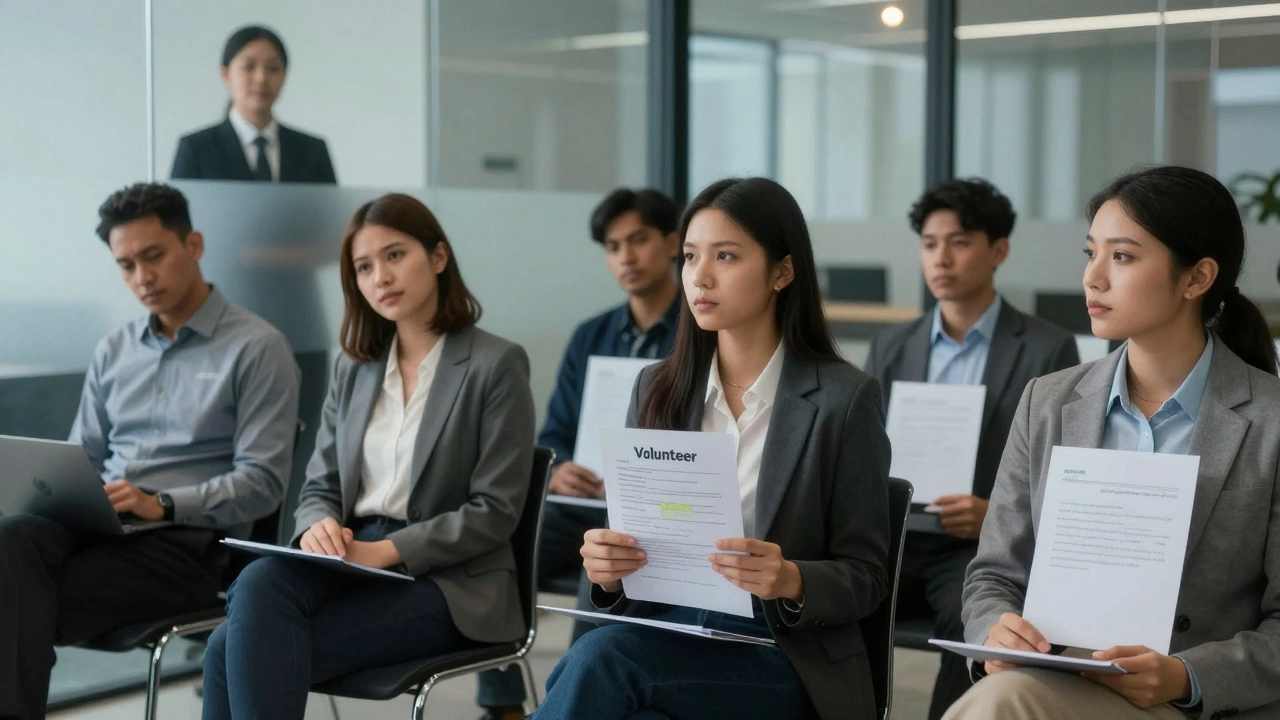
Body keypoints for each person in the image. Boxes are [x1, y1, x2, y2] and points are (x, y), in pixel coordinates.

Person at [532, 177, 892, 720]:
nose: (699, 276)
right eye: (690, 256)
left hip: (778, 653)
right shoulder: (656, 387)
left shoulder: (844, 399)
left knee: (603, 659)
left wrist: (792, 578)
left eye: (725, 256)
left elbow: (867, 576)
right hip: (668, 635)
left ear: (782, 271)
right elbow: (629, 553)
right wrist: (608, 571)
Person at [946, 166, 1280, 719]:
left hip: (1194, 704)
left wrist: (1189, 676)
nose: (1092, 278)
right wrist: (994, 632)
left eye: (1122, 256)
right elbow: (994, 575)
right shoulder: (1046, 402)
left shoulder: (1269, 420)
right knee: (1006, 698)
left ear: (1197, 278)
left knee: (1004, 706)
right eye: (1090, 253)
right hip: (1056, 677)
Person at [201, 193, 536, 720]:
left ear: (439, 257)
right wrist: (317, 526)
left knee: (230, 649)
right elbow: (319, 486)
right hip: (352, 557)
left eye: (395, 255)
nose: (381, 277)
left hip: (452, 584)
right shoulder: (354, 368)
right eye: (363, 267)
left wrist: (386, 551)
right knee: (258, 580)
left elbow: (495, 510)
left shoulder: (495, 364)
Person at [0, 183, 301, 720]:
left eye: (153, 256)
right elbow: (81, 456)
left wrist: (160, 503)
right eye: (126, 264)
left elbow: (264, 484)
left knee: (17, 597)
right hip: (102, 529)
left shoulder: (258, 348)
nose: (142, 277)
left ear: (194, 245)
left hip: (190, 545)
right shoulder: (114, 349)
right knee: (12, 537)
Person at [864, 177, 1079, 719]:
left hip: (974, 545)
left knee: (973, 621)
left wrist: (992, 514)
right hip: (894, 537)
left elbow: (1059, 469)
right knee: (831, 602)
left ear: (998, 250)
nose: (941, 258)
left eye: (959, 242)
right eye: (929, 244)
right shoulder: (892, 345)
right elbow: (864, 451)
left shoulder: (1047, 347)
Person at [476, 187, 682, 720]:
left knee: (603, 564)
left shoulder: (698, 332)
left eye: (638, 240)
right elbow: (556, 431)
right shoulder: (592, 334)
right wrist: (560, 469)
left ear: (672, 243)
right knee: (497, 552)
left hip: (648, 508)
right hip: (583, 498)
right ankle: (503, 706)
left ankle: (573, 705)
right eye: (613, 247)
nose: (626, 257)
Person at [171, 25, 337, 184]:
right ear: (225, 74)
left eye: (273, 68)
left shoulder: (313, 151)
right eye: (248, 67)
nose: (261, 78)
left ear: (284, 75)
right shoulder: (195, 149)